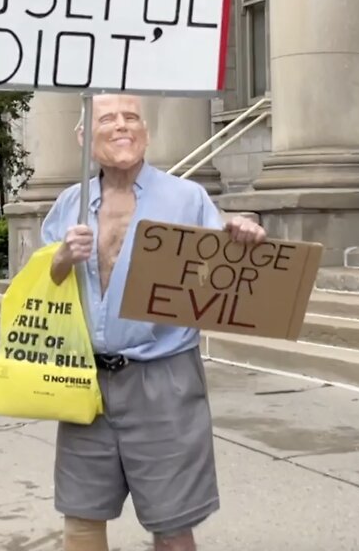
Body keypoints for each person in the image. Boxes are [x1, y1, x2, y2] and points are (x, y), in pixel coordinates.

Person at [39, 94, 267, 551]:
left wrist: (244, 234)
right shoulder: (69, 204)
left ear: (146, 132)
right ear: (84, 137)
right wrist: (62, 256)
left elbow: (219, 265)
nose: (122, 126)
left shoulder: (187, 197)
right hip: (86, 380)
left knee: (173, 522)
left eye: (132, 118)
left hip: (164, 380)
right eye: (108, 119)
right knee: (81, 515)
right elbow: (43, 283)